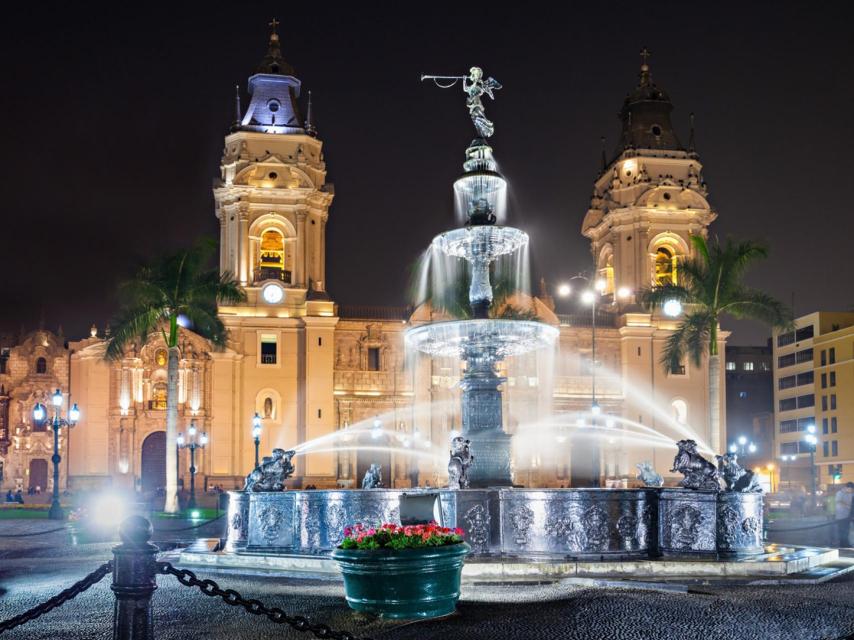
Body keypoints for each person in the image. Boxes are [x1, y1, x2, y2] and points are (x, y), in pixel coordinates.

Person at [835, 483, 854, 547]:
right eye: (851, 489)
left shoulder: (851, 494)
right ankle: (842, 544)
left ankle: (846, 543)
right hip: (841, 516)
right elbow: (839, 502)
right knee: (842, 531)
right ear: (846, 487)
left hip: (847, 516)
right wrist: (849, 506)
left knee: (846, 531)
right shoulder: (839, 493)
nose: (851, 491)